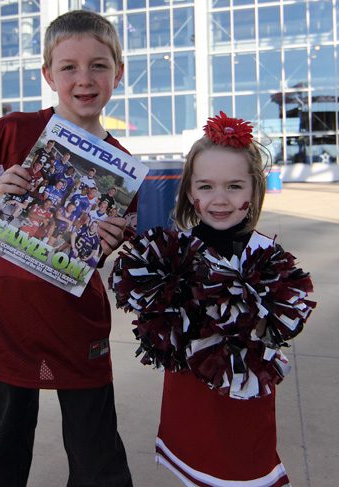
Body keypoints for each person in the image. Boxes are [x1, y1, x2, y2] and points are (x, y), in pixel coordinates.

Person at [0, 10, 136, 487]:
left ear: (119, 71)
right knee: (11, 438)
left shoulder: (121, 165)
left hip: (77, 321)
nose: (84, 79)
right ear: (48, 74)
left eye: (98, 65)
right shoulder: (9, 131)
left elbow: (106, 247)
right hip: (8, 315)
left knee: (96, 448)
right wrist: (1, 192)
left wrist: (114, 239)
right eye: (69, 67)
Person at [110, 112, 314, 487]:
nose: (219, 200)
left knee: (244, 473)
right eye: (205, 187)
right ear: (189, 191)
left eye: (234, 186)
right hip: (188, 406)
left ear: (254, 189)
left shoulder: (268, 256)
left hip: (242, 409)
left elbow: (281, 328)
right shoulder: (169, 253)